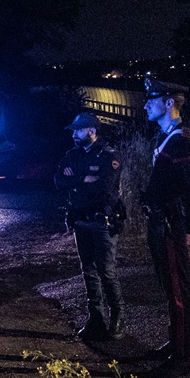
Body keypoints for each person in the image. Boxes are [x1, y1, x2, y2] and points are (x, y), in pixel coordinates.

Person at [141, 78, 190, 378]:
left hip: (172, 222)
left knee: (179, 290)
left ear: (169, 103)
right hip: (161, 220)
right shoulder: (167, 137)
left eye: (151, 99)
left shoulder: (181, 140)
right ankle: (176, 343)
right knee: (170, 287)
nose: (145, 104)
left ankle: (184, 357)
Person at [54, 112, 127, 341]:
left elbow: (104, 190)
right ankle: (96, 318)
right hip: (81, 220)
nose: (74, 134)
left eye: (78, 130)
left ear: (92, 132)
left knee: (106, 272)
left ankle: (118, 318)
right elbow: (58, 181)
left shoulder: (109, 156)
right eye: (74, 130)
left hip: (102, 222)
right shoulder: (73, 155)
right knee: (89, 271)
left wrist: (77, 184)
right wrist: (82, 180)